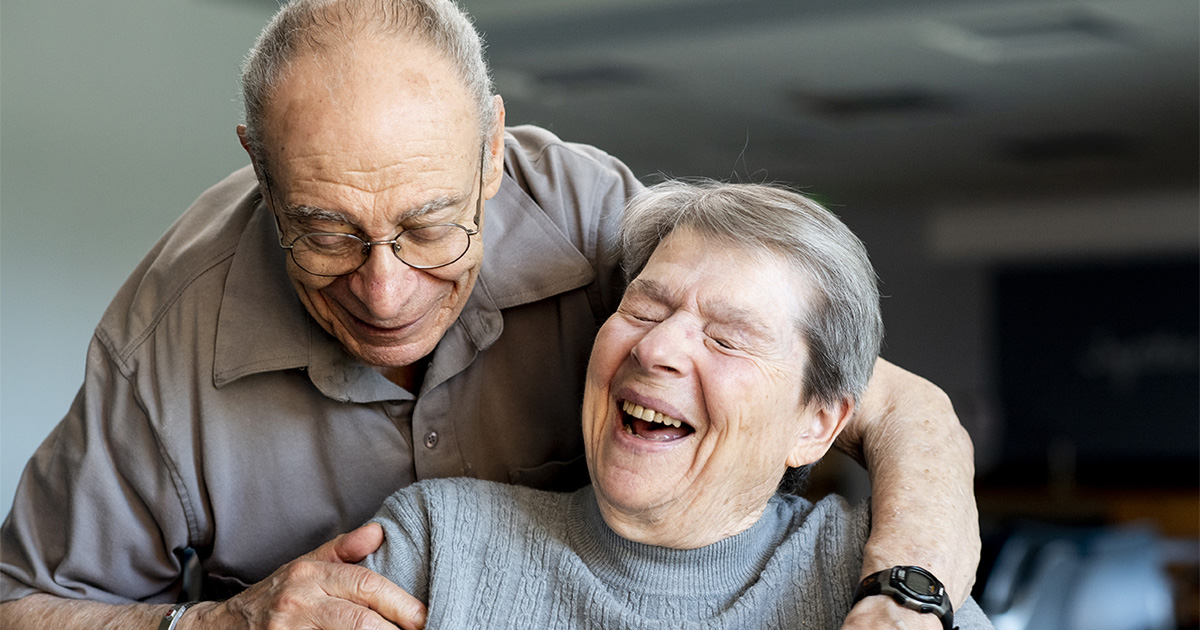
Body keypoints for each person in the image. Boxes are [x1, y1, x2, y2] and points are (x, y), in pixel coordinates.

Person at [0, 1, 979, 629]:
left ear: (494, 154)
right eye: (330, 234)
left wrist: (908, 600)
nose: (386, 294)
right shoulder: (165, 338)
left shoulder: (593, 222)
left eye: (433, 230)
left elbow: (897, 410)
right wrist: (220, 627)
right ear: (260, 166)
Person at [362, 180, 994, 629]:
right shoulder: (438, 545)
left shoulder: (888, 592)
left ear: (815, 425)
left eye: (726, 338)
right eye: (643, 309)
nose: (656, 346)